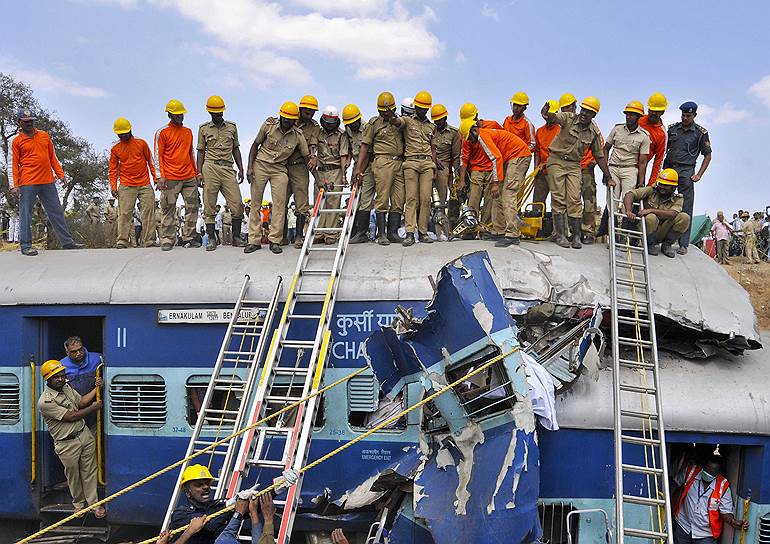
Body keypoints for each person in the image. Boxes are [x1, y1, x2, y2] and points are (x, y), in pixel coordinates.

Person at [540, 97, 615, 249]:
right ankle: (561, 235)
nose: (584, 113)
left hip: (574, 164)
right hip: (557, 160)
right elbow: (555, 118)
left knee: (574, 198)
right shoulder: (569, 118)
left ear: (594, 115)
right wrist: (547, 114)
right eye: (583, 110)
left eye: (589, 112)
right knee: (558, 197)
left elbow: (599, 156)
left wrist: (608, 176)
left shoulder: (593, 132)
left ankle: (576, 236)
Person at [9, 108, 82, 256]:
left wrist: (61, 175)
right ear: (19, 122)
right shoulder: (15, 141)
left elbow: (52, 157)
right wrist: (13, 185)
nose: (29, 124)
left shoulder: (44, 135)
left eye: (31, 121)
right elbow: (12, 163)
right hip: (27, 182)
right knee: (25, 214)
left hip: (47, 180)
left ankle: (67, 242)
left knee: (56, 212)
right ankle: (26, 246)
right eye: (26, 122)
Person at [37, 360, 105, 517]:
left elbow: (80, 402)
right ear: (48, 379)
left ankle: (94, 504)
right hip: (66, 443)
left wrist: (97, 388)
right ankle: (79, 504)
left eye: (62, 375)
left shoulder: (66, 387)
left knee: (90, 471)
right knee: (73, 475)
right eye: (56, 377)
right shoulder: (45, 401)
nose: (61, 379)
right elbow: (72, 416)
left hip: (84, 434)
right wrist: (93, 408)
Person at [245, 103, 311, 254]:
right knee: (255, 203)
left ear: (295, 120)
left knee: (280, 205)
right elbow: (255, 145)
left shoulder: (298, 135)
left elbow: (307, 156)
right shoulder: (268, 126)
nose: (287, 121)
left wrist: (315, 168)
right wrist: (250, 168)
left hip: (279, 169)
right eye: (285, 118)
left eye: (290, 119)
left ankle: (275, 240)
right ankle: (254, 240)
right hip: (260, 164)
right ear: (280, 116)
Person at [459, 120, 531, 247]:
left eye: (469, 138)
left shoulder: (483, 137)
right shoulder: (481, 135)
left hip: (519, 156)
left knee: (508, 194)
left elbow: (495, 158)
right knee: (497, 196)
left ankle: (513, 233)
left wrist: (495, 183)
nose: (469, 141)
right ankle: (499, 230)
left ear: (474, 131)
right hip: (509, 158)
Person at [354, 92, 405, 245]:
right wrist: (358, 168)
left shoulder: (400, 122)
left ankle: (392, 233)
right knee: (382, 197)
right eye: (383, 110)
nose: (386, 112)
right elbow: (365, 146)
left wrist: (393, 118)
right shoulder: (374, 123)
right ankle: (381, 234)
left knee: (398, 198)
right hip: (382, 161)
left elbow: (402, 124)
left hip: (399, 163)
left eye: (388, 109)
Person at [196, 96, 245, 251]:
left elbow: (236, 148)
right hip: (210, 167)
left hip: (228, 168)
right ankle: (211, 238)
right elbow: (200, 152)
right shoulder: (203, 129)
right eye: (214, 113)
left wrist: (241, 168)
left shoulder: (232, 127)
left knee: (237, 204)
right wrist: (199, 173)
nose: (217, 115)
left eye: (219, 112)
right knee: (209, 204)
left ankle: (236, 237)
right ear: (209, 112)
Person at [663, 101, 712, 255]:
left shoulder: (700, 133)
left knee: (686, 208)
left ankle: (683, 244)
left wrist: (699, 175)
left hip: (686, 171)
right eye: (683, 115)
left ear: (694, 115)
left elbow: (708, 155)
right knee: (663, 203)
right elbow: (663, 148)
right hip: (669, 169)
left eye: (688, 115)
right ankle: (660, 239)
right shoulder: (672, 129)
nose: (685, 118)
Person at [154, 99, 200, 251]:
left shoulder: (188, 132)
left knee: (192, 207)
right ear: (169, 115)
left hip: (189, 176)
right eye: (176, 114)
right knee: (168, 208)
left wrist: (196, 173)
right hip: (170, 177)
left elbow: (190, 153)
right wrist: (159, 176)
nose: (180, 116)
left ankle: (190, 237)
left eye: (181, 114)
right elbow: (157, 155)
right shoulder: (162, 132)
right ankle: (167, 239)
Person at [393, 91, 437, 246]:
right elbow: (397, 122)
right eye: (420, 107)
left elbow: (433, 147)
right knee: (411, 198)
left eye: (425, 108)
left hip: (427, 164)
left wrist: (435, 165)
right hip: (411, 162)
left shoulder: (432, 126)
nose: (423, 111)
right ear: (416, 106)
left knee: (426, 198)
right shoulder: (407, 120)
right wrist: (392, 115)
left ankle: (423, 232)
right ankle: (410, 233)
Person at [672, 456, 746, 543]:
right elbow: (674, 484)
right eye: (707, 470)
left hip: (706, 534)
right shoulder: (691, 472)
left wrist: (732, 521)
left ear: (718, 473)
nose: (708, 473)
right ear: (703, 467)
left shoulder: (723, 485)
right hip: (684, 526)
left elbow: (726, 512)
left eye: (712, 472)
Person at [110, 117, 157, 249]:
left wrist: (156, 178)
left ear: (130, 130)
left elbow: (151, 162)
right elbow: (112, 169)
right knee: (125, 213)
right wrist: (113, 186)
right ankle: (123, 241)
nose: (123, 135)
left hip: (144, 184)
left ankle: (149, 241)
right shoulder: (116, 149)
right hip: (126, 185)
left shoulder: (141, 143)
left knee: (148, 211)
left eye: (125, 132)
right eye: (120, 134)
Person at [621, 168, 690, 258]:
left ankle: (667, 245)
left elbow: (673, 213)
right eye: (660, 184)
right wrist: (628, 211)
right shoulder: (651, 190)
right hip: (646, 230)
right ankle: (650, 244)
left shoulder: (678, 199)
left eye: (666, 185)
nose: (662, 187)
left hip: (663, 232)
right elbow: (630, 194)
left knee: (684, 217)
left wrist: (651, 210)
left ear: (674, 188)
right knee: (651, 217)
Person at [605, 101, 651, 213]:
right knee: (612, 202)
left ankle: (624, 229)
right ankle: (610, 228)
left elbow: (643, 162)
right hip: (613, 167)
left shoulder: (644, 136)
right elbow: (605, 149)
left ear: (638, 117)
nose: (628, 117)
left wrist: (640, 182)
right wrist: (606, 173)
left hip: (630, 169)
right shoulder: (617, 129)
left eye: (632, 114)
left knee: (628, 201)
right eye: (627, 114)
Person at [170, 465, 233, 544]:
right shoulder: (180, 514)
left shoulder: (218, 505)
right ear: (187, 492)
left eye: (207, 483)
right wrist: (230, 507)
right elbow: (209, 525)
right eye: (198, 485)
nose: (205, 487)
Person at [313, 106, 350, 245]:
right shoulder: (318, 133)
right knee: (319, 201)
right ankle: (319, 233)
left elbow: (343, 155)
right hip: (321, 171)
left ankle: (330, 234)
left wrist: (344, 175)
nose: (329, 125)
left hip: (335, 171)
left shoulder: (341, 135)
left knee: (333, 202)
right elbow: (313, 148)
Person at [287, 95, 320, 249]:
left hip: (300, 166)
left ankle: (299, 236)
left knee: (302, 201)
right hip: (283, 166)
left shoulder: (314, 126)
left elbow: (313, 144)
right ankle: (280, 236)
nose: (310, 116)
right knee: (281, 201)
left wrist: (313, 157)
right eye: (307, 113)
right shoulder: (288, 118)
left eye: (312, 113)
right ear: (300, 110)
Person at [343, 104, 374, 244]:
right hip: (357, 165)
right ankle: (353, 231)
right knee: (354, 197)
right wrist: (350, 161)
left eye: (354, 123)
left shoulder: (367, 128)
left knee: (365, 198)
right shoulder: (348, 128)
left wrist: (360, 170)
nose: (352, 126)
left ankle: (362, 233)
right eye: (349, 124)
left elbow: (367, 150)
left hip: (368, 164)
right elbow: (350, 146)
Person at [60, 336, 103, 433]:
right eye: (74, 352)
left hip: (95, 410)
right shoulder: (61, 365)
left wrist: (102, 383)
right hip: (73, 411)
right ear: (67, 352)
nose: (78, 353)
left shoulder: (97, 358)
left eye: (80, 349)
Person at [431, 103, 461, 241]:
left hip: (444, 171)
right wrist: (434, 160)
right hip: (428, 166)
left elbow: (455, 157)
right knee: (424, 200)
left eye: (440, 119)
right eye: (435, 120)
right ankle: (423, 231)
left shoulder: (454, 133)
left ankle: (441, 233)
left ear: (445, 117)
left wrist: (455, 178)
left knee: (440, 203)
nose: (438, 122)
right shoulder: (430, 130)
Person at [532, 100, 561, 209]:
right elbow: (537, 152)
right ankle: (537, 225)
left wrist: (548, 164)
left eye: (552, 114)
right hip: (541, 172)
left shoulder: (561, 130)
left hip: (556, 172)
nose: (549, 117)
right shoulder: (539, 131)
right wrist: (535, 170)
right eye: (547, 114)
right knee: (537, 203)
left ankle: (558, 226)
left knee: (558, 203)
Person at [639, 93, 668, 186]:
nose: (653, 113)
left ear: (663, 112)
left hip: (640, 171)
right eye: (651, 110)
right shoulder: (639, 119)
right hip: (622, 164)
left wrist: (651, 184)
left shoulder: (662, 134)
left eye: (657, 111)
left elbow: (658, 161)